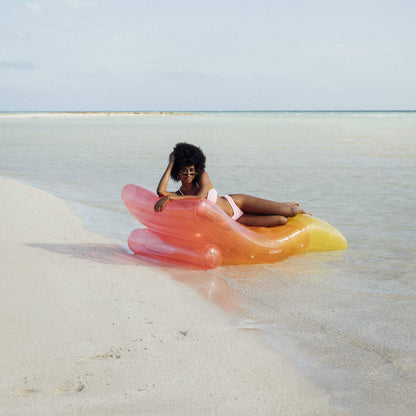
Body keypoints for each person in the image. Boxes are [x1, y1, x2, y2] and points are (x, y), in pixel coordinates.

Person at [154, 142, 310, 227]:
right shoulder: (179, 194)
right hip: (236, 220)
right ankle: (278, 205)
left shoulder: (202, 176)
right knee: (281, 220)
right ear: (178, 173)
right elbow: (161, 191)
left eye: (191, 171)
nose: (188, 175)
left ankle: (294, 207)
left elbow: (200, 198)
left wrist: (170, 199)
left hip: (237, 203)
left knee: (291, 212)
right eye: (183, 171)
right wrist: (171, 163)